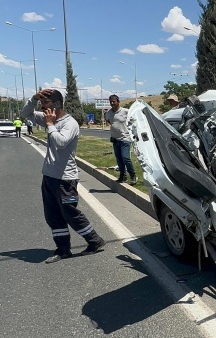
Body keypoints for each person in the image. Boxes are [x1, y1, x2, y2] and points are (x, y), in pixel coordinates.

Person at [21, 89, 106, 263]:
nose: (42, 107)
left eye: (46, 104)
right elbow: (25, 113)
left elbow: (60, 143)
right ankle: (63, 249)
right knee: (53, 215)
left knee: (70, 213)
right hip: (49, 177)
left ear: (57, 105)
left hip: (65, 179)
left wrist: (50, 124)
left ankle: (95, 241)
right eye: (41, 104)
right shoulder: (48, 119)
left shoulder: (70, 123)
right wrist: (34, 98)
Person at [105, 94, 137, 185]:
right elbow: (110, 121)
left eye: (114, 101)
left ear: (118, 101)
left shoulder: (126, 111)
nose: (112, 103)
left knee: (125, 157)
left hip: (125, 138)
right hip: (115, 139)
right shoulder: (109, 113)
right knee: (119, 159)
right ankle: (123, 176)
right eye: (111, 102)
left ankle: (133, 175)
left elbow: (134, 121)